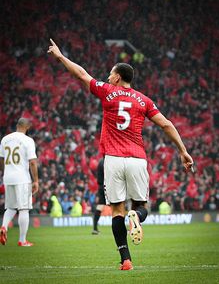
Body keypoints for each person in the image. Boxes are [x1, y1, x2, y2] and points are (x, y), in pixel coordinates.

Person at [48, 39, 194, 270]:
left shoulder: (107, 92)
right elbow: (166, 124)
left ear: (117, 77)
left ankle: (126, 260)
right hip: (137, 159)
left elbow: (81, 74)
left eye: (109, 74)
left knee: (116, 210)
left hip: (113, 160)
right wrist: (183, 151)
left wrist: (59, 56)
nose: (107, 77)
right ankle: (135, 215)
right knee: (141, 205)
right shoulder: (144, 100)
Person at [0, 118, 39, 246]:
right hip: (22, 178)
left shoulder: (5, 139)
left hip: (8, 177)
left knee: (10, 207)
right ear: (27, 127)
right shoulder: (28, 140)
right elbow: (33, 162)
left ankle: (4, 227)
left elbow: (1, 159)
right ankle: (22, 240)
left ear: (17, 125)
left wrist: (5, 172)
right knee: (24, 209)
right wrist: (36, 181)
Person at [92, 158, 106, 235]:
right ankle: (122, 228)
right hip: (108, 187)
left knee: (100, 206)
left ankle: (95, 228)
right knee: (117, 206)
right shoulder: (107, 161)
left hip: (101, 187)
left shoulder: (100, 161)